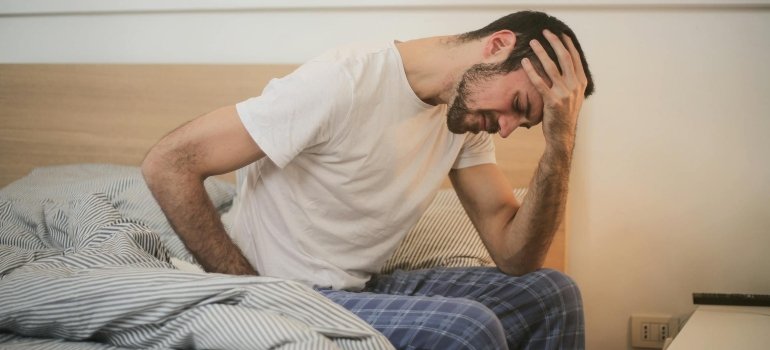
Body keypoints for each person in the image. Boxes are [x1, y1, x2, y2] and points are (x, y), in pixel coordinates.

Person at [142, 10, 594, 350]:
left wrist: (560, 143)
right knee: (469, 329)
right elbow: (169, 163)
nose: (508, 127)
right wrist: (252, 289)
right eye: (517, 103)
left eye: (526, 123)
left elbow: (515, 256)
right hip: (288, 290)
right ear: (497, 45)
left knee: (552, 293)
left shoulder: (463, 120)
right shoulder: (343, 81)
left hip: (358, 288)